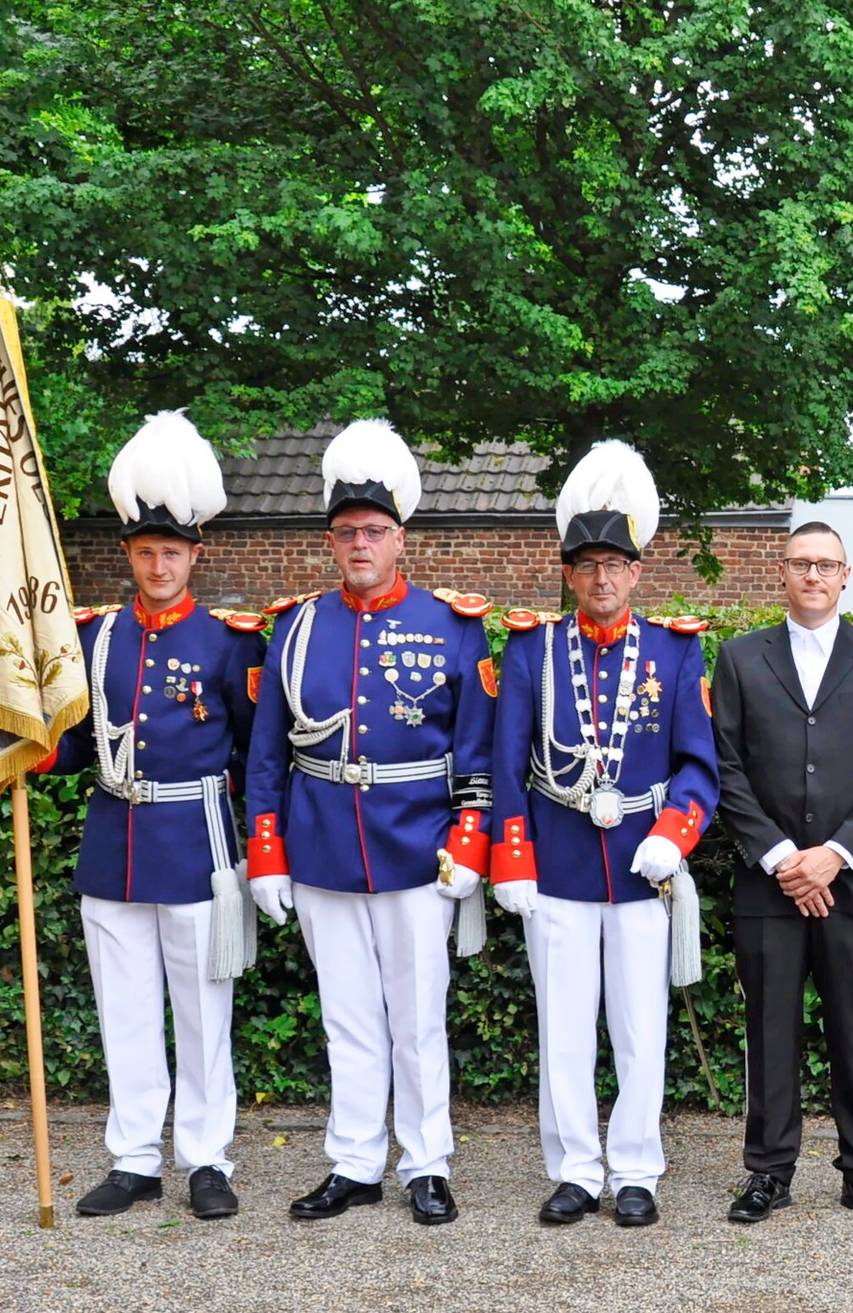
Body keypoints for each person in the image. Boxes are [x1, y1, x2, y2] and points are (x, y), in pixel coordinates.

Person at [245, 419, 498, 1226]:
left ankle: (426, 1162)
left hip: (416, 846)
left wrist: (468, 839)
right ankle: (354, 1162)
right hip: (321, 843)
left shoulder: (452, 624)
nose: (361, 543)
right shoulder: (295, 627)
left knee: (418, 1019)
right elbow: (265, 755)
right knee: (346, 1016)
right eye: (348, 531)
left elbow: (477, 748)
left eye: (375, 531)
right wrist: (267, 850)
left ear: (400, 538)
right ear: (330, 539)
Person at [489, 440, 720, 1228]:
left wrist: (675, 833)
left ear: (637, 569)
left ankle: (636, 1168)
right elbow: (506, 762)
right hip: (555, 866)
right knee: (562, 1027)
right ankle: (576, 1167)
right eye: (585, 564)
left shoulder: (675, 650)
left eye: (614, 563)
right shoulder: (533, 648)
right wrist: (510, 854)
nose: (600, 577)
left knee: (638, 1025)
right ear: (567, 572)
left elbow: (699, 765)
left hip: (641, 868)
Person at [46, 412, 263, 1220]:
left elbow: (253, 756)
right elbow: (70, 745)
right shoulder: (94, 636)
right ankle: (134, 1157)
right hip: (114, 848)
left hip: (198, 849)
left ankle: (207, 1157)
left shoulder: (229, 641)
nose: (158, 563)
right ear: (129, 554)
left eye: (171, 551)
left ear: (194, 555)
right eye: (145, 551)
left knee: (204, 1014)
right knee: (125, 1012)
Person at [710, 521, 853, 1223]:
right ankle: (768, 1171)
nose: (814, 576)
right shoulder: (739, 658)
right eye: (801, 563)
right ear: (782, 571)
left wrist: (835, 852)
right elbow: (727, 768)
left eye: (826, 564)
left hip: (852, 880)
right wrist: (779, 855)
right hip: (768, 884)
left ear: (847, 574)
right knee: (770, 1028)